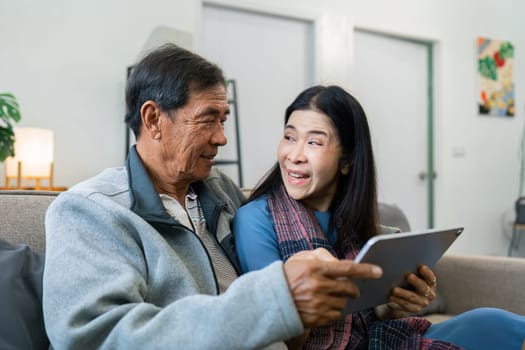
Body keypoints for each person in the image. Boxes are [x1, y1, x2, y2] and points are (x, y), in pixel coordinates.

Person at [42, 45, 385, 350]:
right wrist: (273, 301)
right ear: (153, 119)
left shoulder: (221, 192)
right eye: (208, 120)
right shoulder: (89, 210)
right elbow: (92, 338)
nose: (222, 138)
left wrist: (385, 286)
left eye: (223, 120)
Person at [233, 85, 525, 349]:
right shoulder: (256, 220)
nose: (294, 154)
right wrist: (305, 300)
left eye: (314, 143)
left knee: (492, 323)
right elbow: (277, 338)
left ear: (347, 160)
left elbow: (368, 316)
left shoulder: (354, 222)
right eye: (289, 137)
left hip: (383, 340)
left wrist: (396, 304)